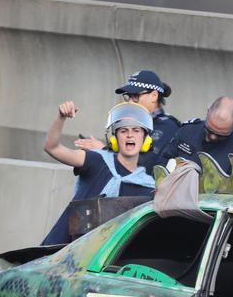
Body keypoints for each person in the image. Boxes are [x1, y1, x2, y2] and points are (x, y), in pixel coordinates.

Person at [42, 101, 156, 245]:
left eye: (136, 130)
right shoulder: (96, 160)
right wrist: (61, 117)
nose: (129, 135)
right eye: (123, 130)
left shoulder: (149, 189)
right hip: (55, 253)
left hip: (97, 265)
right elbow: (52, 148)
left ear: (146, 139)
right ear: (114, 139)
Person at [76, 70, 180, 174]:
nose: (130, 101)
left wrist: (103, 150)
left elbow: (143, 166)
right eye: (128, 96)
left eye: (135, 96)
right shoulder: (130, 123)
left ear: (154, 96)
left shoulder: (169, 127)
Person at [160, 96, 233, 173]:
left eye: (221, 135)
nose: (212, 137)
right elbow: (162, 163)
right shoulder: (188, 130)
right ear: (208, 111)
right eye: (209, 130)